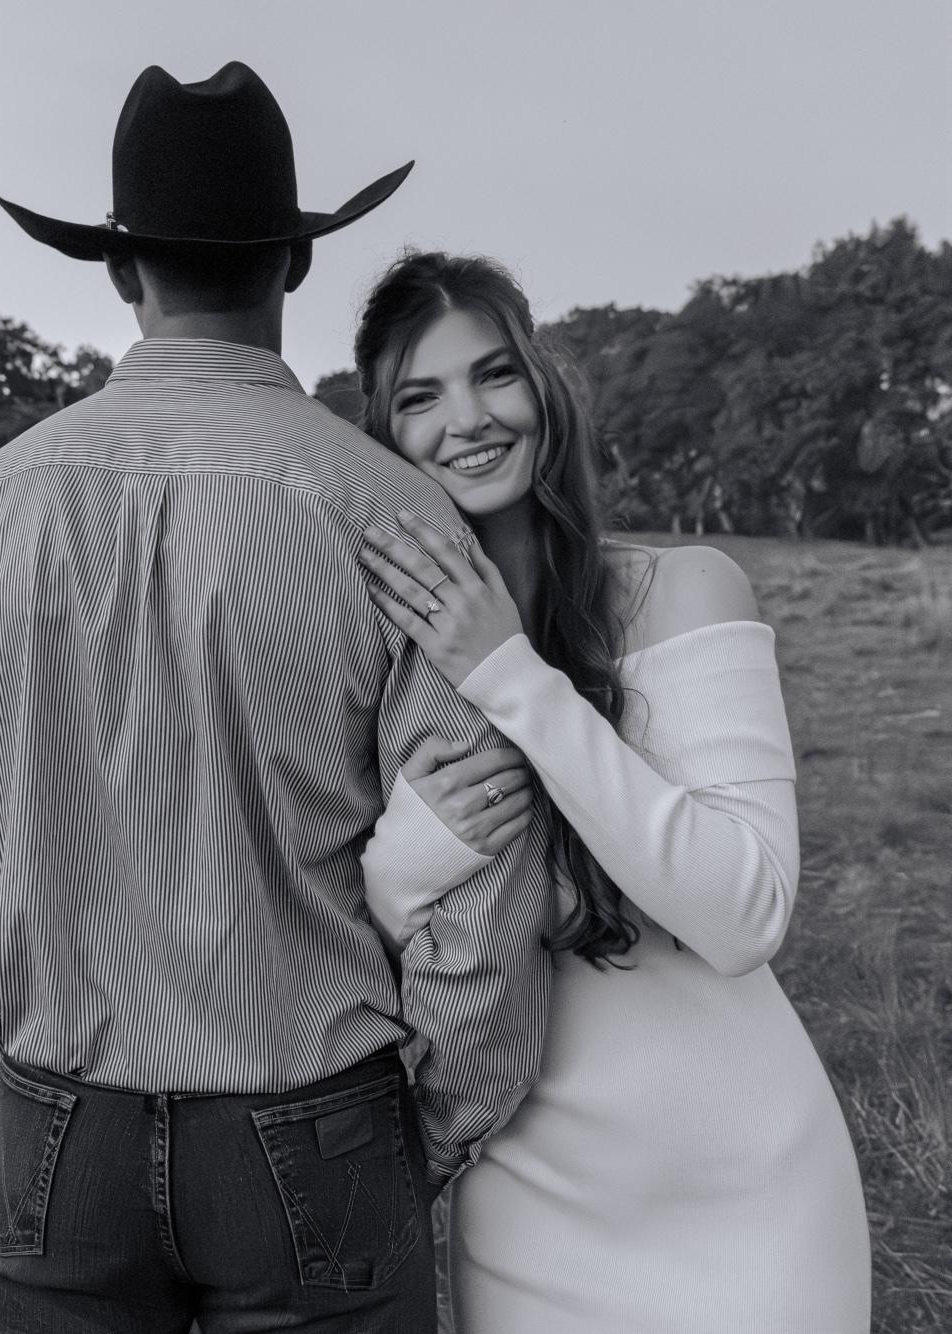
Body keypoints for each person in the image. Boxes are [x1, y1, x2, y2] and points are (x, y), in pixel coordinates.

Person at [0, 70, 553, 1332]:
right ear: (294, 260)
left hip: (58, 1118)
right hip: (321, 1123)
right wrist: (443, 1114)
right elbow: (480, 858)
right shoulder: (389, 510)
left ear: (122, 273)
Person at [354, 251, 871, 1332]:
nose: (467, 419)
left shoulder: (685, 591)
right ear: (385, 436)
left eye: (493, 373)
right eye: (419, 397)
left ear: (542, 387)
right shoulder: (381, 654)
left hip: (747, 1192)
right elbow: (339, 948)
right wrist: (399, 875)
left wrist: (512, 674)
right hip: (527, 1201)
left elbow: (743, 915)